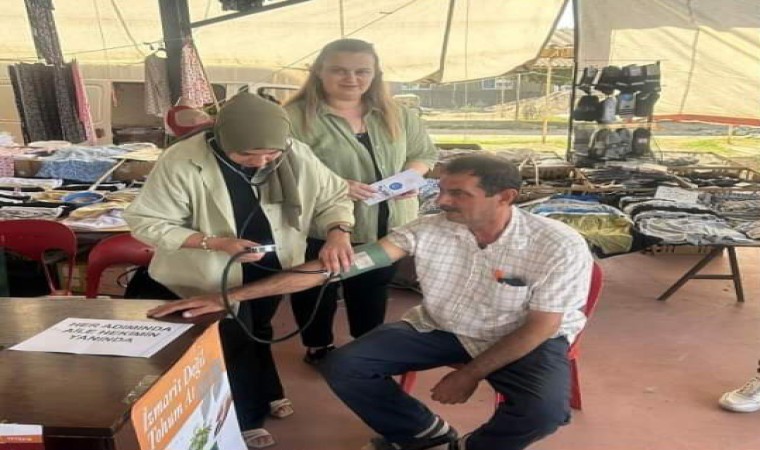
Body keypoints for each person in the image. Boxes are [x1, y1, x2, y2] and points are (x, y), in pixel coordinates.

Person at [147, 154, 594, 450]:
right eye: (441, 189)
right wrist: (228, 297)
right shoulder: (428, 228)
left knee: (543, 412)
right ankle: (423, 433)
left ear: (506, 197)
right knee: (344, 365)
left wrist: (470, 374)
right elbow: (334, 268)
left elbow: (541, 327)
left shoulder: (556, 244)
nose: (442, 200)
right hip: (440, 326)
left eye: (459, 193)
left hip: (519, 336)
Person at [124, 92, 355, 449]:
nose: (260, 162)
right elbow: (147, 222)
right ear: (223, 140)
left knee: (257, 330)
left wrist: (339, 232)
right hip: (209, 271)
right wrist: (215, 243)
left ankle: (268, 391)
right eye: (247, 155)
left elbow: (334, 196)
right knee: (232, 340)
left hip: (272, 267)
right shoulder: (182, 160)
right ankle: (246, 417)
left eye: (270, 154)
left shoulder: (295, 152)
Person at [284, 38, 439, 365]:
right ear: (319, 72)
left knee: (372, 287)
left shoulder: (397, 114)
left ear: (375, 74)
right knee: (316, 287)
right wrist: (338, 186)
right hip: (322, 225)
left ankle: (365, 349)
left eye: (361, 71)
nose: (351, 78)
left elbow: (424, 153)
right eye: (339, 70)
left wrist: (409, 177)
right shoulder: (293, 118)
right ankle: (318, 346)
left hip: (389, 223)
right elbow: (282, 169)